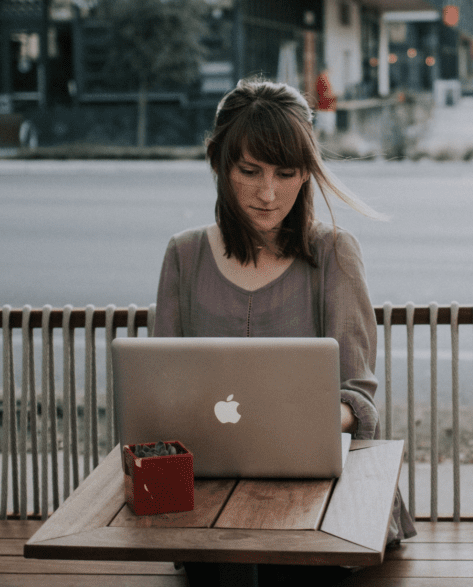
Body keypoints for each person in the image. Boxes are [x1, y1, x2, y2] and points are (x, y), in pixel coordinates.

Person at [152, 78, 415, 584]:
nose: (268, 194)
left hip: (320, 497)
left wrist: (290, 421)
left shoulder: (334, 253)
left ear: (307, 174)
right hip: (211, 494)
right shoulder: (184, 255)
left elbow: (358, 400)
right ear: (218, 162)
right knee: (230, 558)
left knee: (271, 565)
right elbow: (161, 389)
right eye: (249, 171)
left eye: (286, 173)